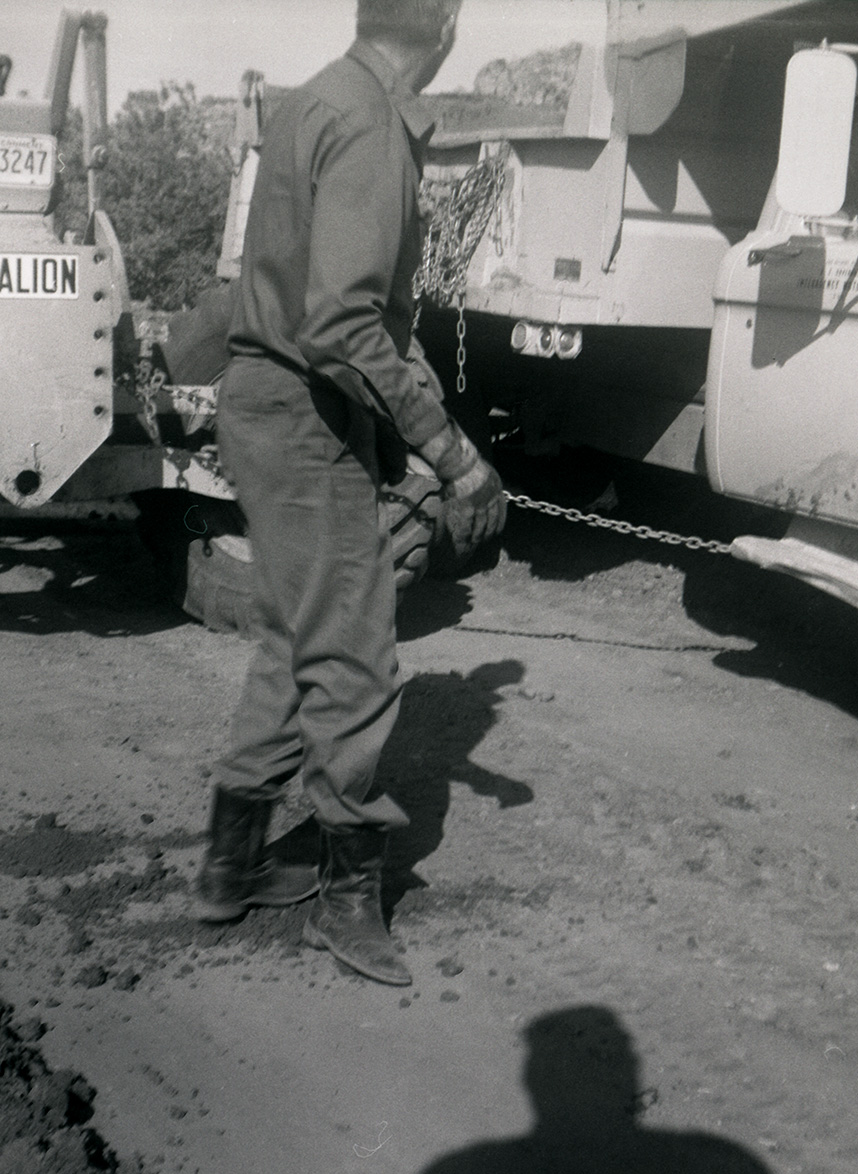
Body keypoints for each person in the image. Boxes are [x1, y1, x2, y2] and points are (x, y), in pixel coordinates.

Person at [194, 0, 505, 988]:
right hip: (301, 414)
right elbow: (341, 324)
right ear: (446, 25)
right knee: (359, 653)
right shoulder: (369, 120)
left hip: (283, 406)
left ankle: (230, 865)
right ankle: (347, 899)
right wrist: (451, 452)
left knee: (301, 633)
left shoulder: (321, 100)